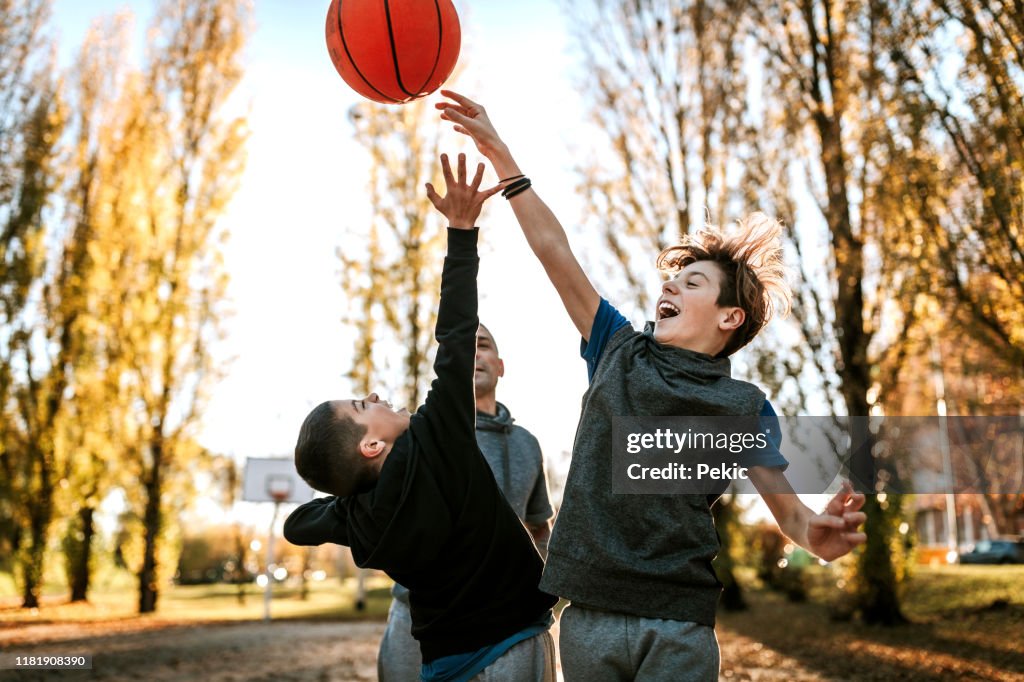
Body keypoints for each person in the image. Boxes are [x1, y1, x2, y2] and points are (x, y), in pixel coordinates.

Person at [436, 90, 868, 681]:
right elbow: (555, 252)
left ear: (729, 318)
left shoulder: (742, 408)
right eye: (673, 281)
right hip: (588, 615)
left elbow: (791, 517)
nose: (671, 289)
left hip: (678, 625)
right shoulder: (617, 347)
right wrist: (502, 155)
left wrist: (817, 535)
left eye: (692, 283)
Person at [283, 153, 558, 681]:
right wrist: (461, 231)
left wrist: (348, 498)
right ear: (371, 446)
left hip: (442, 663)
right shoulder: (439, 439)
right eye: (364, 406)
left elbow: (297, 526)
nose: (375, 394)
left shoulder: (359, 520)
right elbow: (455, 332)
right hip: (511, 644)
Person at [378, 322, 554, 681]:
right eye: (465, 347)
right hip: (419, 620)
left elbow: (538, 526)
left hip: (507, 623)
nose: (474, 353)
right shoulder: (415, 437)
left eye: (484, 345)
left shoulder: (527, 444)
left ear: (500, 366)